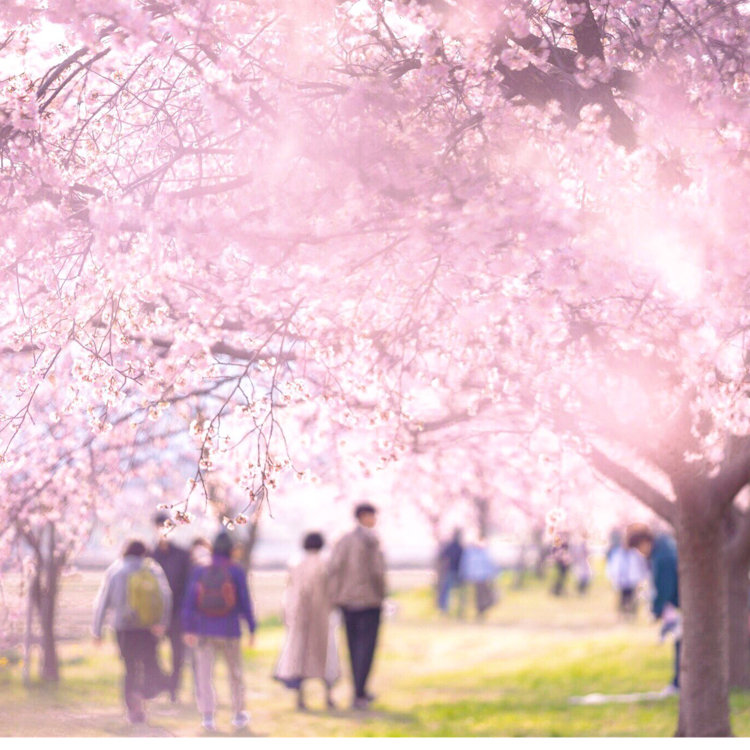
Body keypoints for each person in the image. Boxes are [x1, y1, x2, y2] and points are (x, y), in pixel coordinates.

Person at [182, 531, 257, 732]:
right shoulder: (236, 570)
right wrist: (251, 627)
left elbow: (189, 601)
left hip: (204, 629)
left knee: (204, 675)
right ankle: (239, 714)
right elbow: (244, 601)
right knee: (235, 673)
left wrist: (188, 627)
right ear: (232, 549)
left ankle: (207, 716)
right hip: (230, 629)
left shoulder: (200, 569)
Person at [92, 539, 172, 724]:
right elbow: (166, 596)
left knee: (130, 667)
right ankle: (142, 700)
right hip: (147, 628)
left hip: (123, 628)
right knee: (147, 664)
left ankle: (133, 707)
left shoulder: (115, 570)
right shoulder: (152, 569)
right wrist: (162, 623)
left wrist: (97, 630)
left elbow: (102, 602)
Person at [327, 502, 387, 710]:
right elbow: (378, 573)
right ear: (363, 516)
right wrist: (382, 594)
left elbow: (333, 568)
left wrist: (335, 596)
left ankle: (358, 690)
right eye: (372, 515)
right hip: (369, 601)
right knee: (367, 647)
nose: (375, 520)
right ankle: (360, 692)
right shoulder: (371, 541)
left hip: (346, 602)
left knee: (352, 646)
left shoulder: (342, 540)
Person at [274, 532, 340, 710]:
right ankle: (328, 697)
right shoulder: (326, 564)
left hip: (300, 617)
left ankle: (300, 699)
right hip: (322, 616)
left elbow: (289, 590)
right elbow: (332, 591)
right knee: (325, 656)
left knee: (300, 657)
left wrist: (287, 613)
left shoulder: (295, 563)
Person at [627, 525, 681, 694]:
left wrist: (656, 611)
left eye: (638, 548)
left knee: (682, 643)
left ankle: (678, 683)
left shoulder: (662, 556)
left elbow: (664, 586)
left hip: (684, 605)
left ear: (644, 542)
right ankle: (678, 682)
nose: (639, 552)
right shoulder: (664, 546)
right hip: (683, 604)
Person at [151, 511, 192, 702]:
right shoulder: (151, 556)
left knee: (178, 655)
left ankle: (174, 689)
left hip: (177, 613)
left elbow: (188, 586)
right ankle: (163, 682)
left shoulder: (183, 555)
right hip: (156, 615)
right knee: (151, 652)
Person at [606, 537, 649, 617]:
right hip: (622, 580)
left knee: (633, 597)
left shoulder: (636, 554)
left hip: (633, 579)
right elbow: (613, 566)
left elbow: (642, 566)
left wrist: (642, 576)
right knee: (623, 597)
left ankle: (632, 613)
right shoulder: (617, 553)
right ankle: (623, 613)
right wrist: (613, 577)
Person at [458, 534, 499, 619]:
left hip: (484, 577)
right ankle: (480, 611)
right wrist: (465, 575)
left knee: (487, 596)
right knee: (480, 596)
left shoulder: (483, 551)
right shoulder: (471, 552)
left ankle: (482, 610)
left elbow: (490, 564)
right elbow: (466, 564)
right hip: (477, 577)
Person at [437, 529, 464, 614]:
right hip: (458, 573)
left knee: (446, 590)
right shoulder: (460, 547)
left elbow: (442, 557)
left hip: (451, 572)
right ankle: (459, 610)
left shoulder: (451, 546)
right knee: (459, 592)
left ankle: (444, 609)